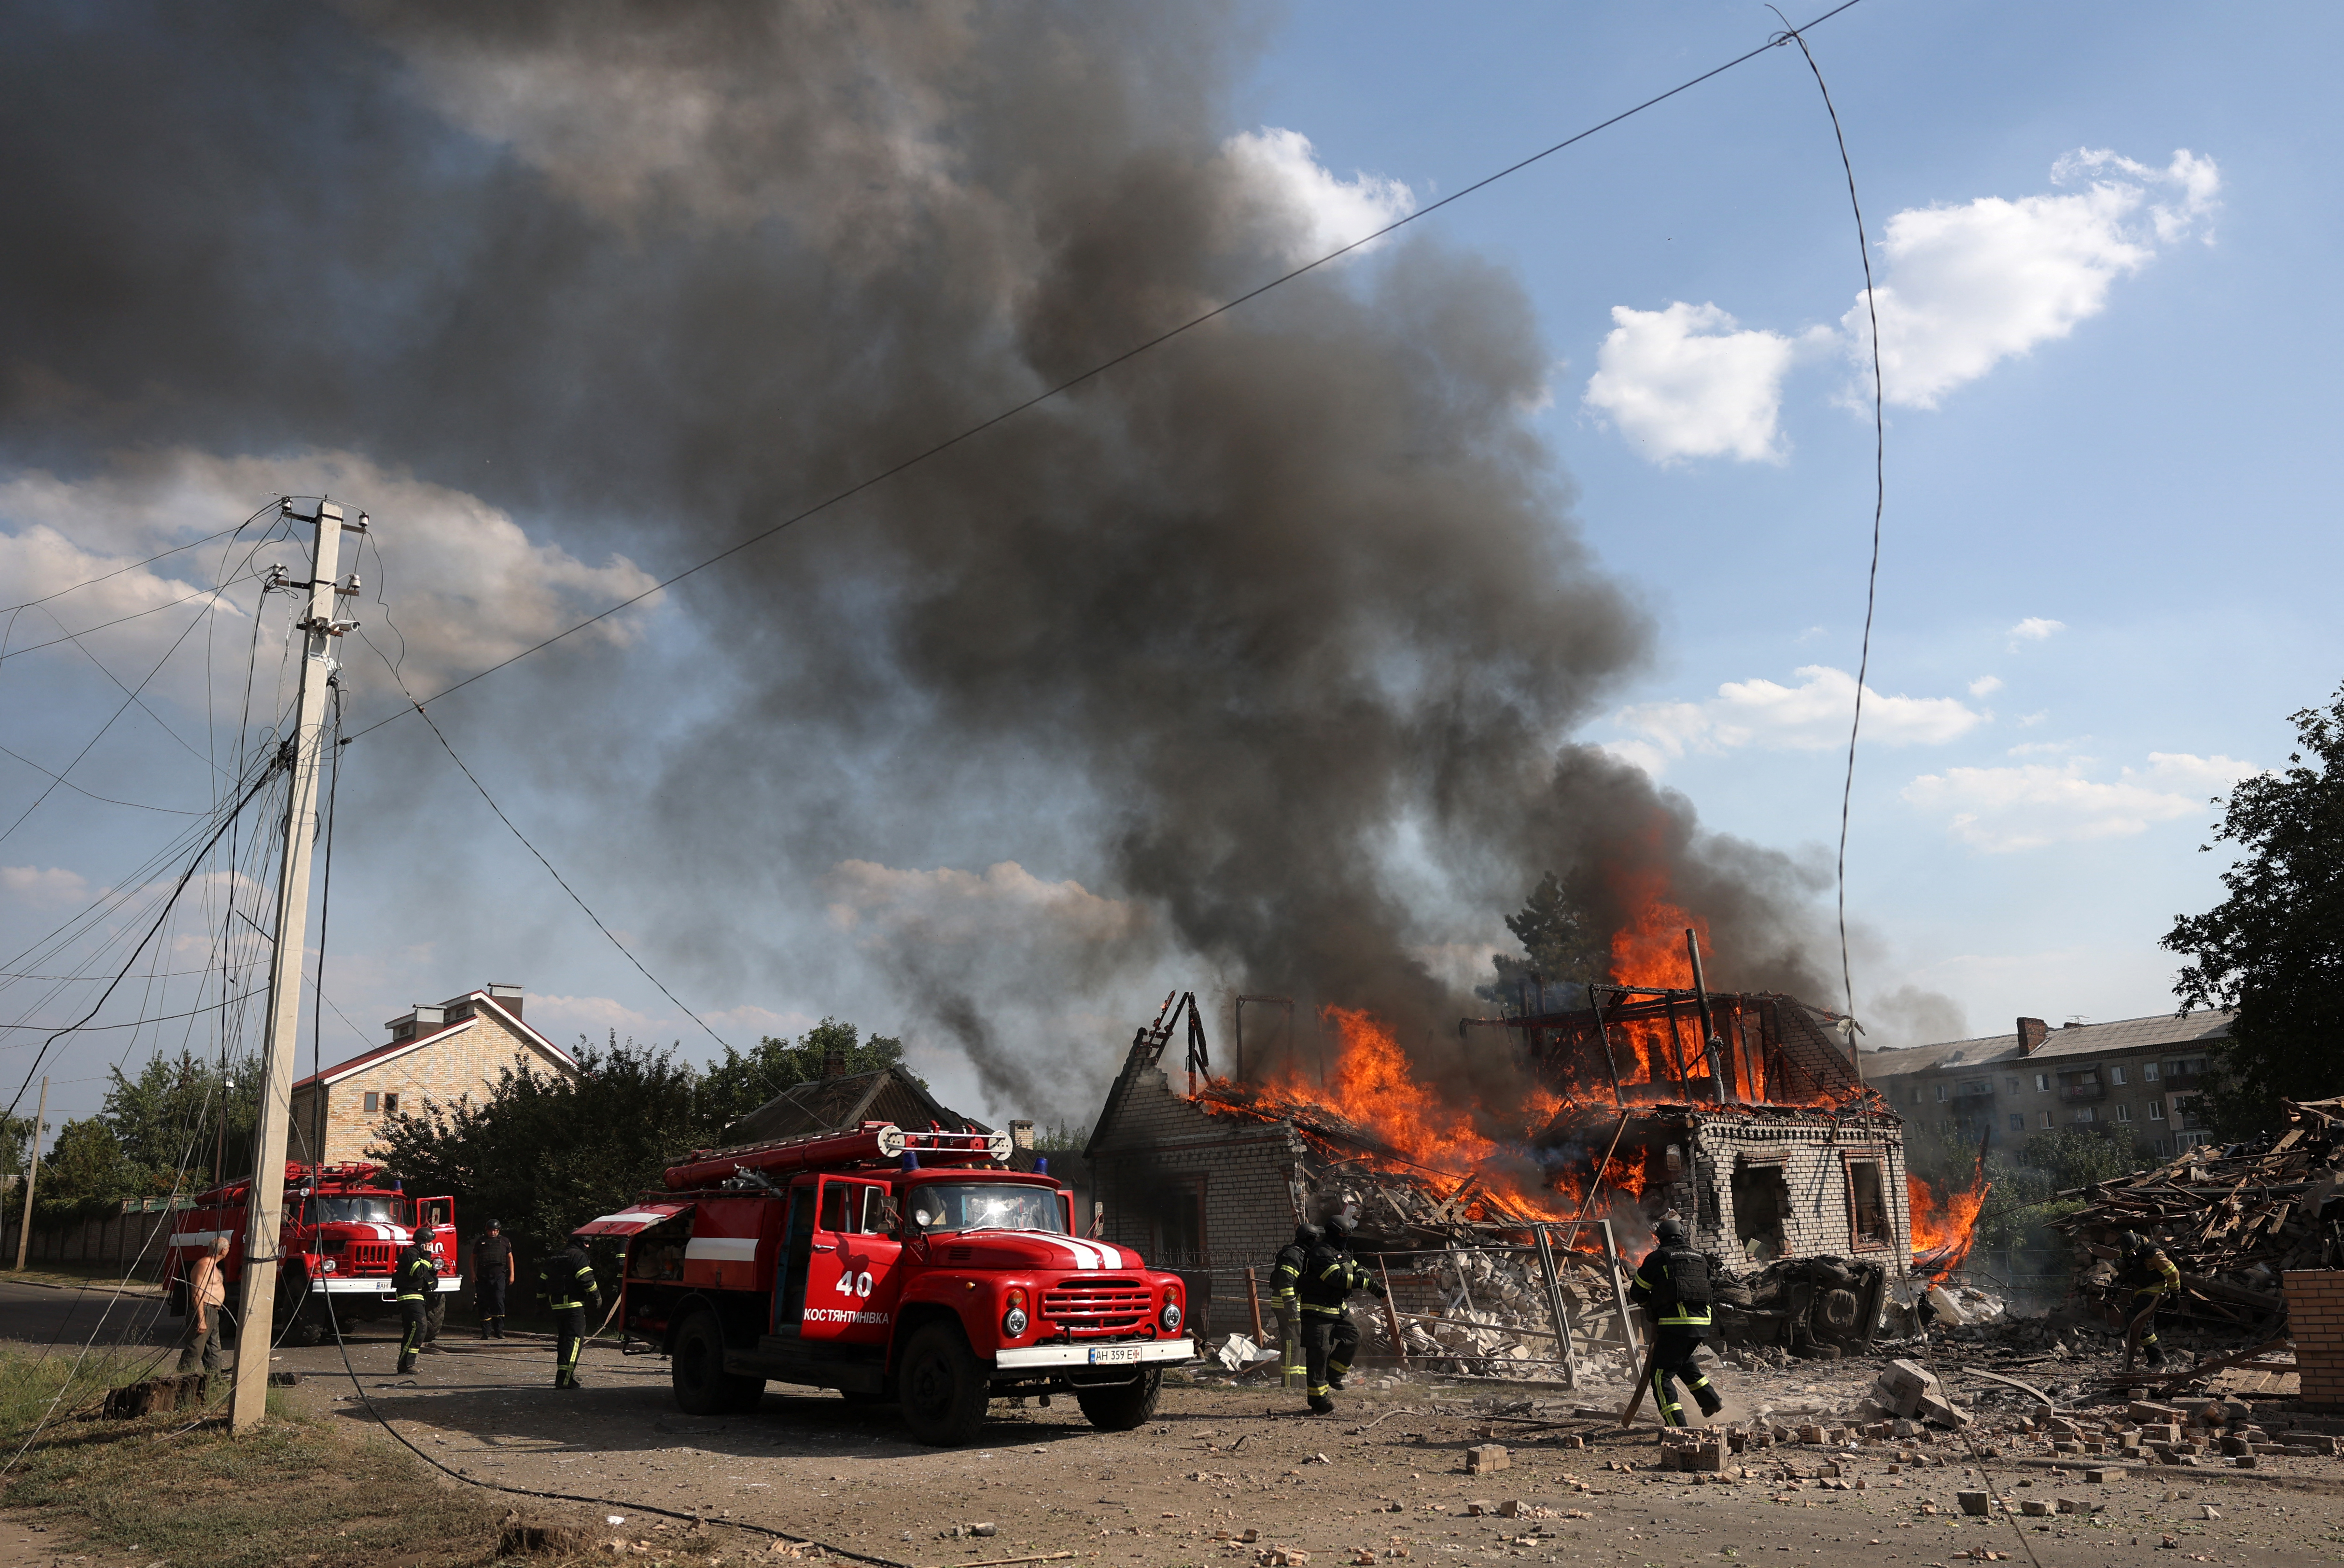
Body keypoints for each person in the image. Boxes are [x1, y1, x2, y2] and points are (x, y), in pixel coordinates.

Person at [1630, 1217, 1722, 1426]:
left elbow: (1637, 1292)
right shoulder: (1700, 1258)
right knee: (1683, 1363)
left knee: (1660, 1376)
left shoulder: (1658, 1258)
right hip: (1702, 1323)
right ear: (1682, 1236)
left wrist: (1651, 1307)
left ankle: (1678, 1428)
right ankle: (1712, 1401)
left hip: (1676, 1323)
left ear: (1660, 1238)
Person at [1298, 1218, 1385, 1415]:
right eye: (1343, 1236)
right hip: (1317, 1311)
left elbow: (1357, 1266)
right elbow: (1336, 1278)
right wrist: (1365, 1284)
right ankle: (1318, 1400)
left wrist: (1365, 1275)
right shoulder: (1320, 1253)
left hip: (1338, 1308)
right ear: (1333, 1233)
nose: (1345, 1239)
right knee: (1319, 1353)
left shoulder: (1342, 1253)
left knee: (1354, 1337)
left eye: (1348, 1236)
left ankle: (1334, 1374)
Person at [537, 1233, 603, 1389]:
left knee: (565, 1341)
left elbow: (542, 1282)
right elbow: (586, 1278)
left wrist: (541, 1304)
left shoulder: (555, 1257)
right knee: (574, 1342)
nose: (588, 1246)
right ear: (578, 1242)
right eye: (586, 1242)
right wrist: (597, 1296)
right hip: (573, 1305)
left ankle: (565, 1375)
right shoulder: (578, 1256)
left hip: (557, 1306)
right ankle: (564, 1379)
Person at [2119, 1230, 2181, 1370]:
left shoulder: (2154, 1253)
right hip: (2140, 1289)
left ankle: (2158, 1358)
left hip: (2155, 1289)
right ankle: (2156, 1358)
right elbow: (2127, 1268)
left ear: (2139, 1245)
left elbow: (2173, 1273)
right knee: (2142, 1324)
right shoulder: (2127, 1251)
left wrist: (2175, 1292)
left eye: (2133, 1253)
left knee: (2138, 1320)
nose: (2131, 1256)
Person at [1268, 1223, 1320, 1386]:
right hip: (1287, 1308)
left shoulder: (1304, 1255)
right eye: (1312, 1239)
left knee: (1303, 1345)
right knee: (1292, 1346)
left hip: (1299, 1308)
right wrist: (1291, 1309)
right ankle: (1290, 1387)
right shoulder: (1292, 1255)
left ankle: (1303, 1384)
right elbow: (1286, 1283)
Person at [178, 1234, 231, 1376]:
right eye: (228, 1249)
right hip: (204, 1310)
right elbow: (197, 1293)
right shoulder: (204, 1265)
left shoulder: (213, 1266)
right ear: (223, 1250)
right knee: (195, 1349)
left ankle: (214, 1381)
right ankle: (182, 1380)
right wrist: (201, 1319)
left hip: (214, 1311)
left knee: (214, 1350)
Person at [394, 1226, 440, 1375]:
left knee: (412, 1330)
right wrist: (427, 1256)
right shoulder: (411, 1254)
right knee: (419, 1327)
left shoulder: (419, 1255)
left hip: (418, 1294)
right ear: (420, 1242)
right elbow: (417, 1272)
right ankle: (408, 1364)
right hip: (408, 1294)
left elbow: (425, 1274)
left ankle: (405, 1364)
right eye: (428, 1243)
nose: (430, 1246)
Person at [474, 1219, 515, 1339]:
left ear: (498, 1230)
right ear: (487, 1230)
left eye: (495, 1230)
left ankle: (499, 1331)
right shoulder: (481, 1241)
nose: (492, 1233)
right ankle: (486, 1333)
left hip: (499, 1276)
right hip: (483, 1277)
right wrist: (473, 1274)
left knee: (498, 1301)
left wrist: (512, 1274)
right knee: (484, 1303)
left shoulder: (505, 1241)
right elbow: (473, 1258)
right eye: (490, 1230)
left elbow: (510, 1258)